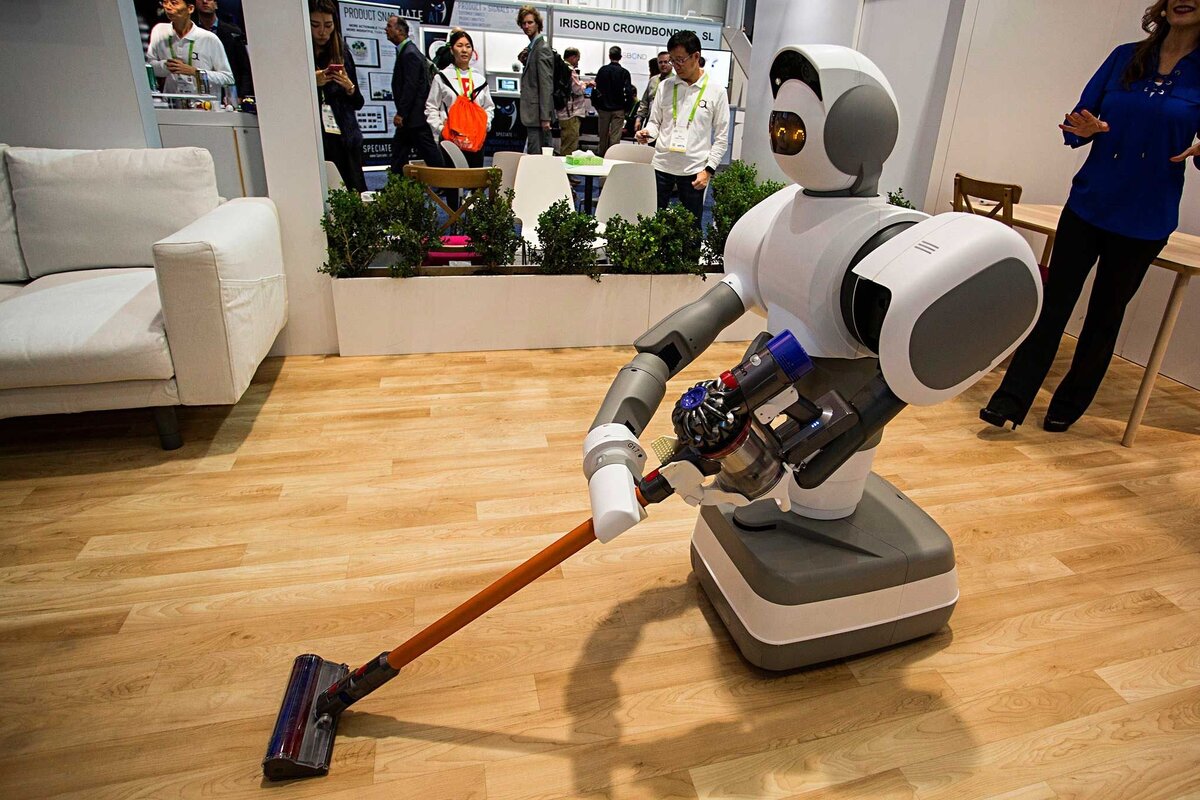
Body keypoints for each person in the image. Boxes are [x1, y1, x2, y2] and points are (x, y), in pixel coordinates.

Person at [980, 0, 1200, 434]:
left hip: (1146, 216)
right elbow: (1077, 120)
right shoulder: (1125, 57)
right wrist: (1081, 128)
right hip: (1089, 203)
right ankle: (1010, 400)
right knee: (1053, 304)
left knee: (1105, 316)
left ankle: (1068, 405)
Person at [636, 30, 729, 230]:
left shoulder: (716, 91)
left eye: (680, 60)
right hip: (661, 166)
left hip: (694, 170)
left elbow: (721, 138)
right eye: (673, 60)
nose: (675, 66)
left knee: (691, 230)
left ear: (696, 56)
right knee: (653, 226)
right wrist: (647, 134)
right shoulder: (665, 86)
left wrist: (709, 170)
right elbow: (655, 123)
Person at [310, 0, 366, 192]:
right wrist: (311, 82)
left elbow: (358, 102)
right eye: (315, 25)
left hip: (345, 136)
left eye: (328, 25)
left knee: (353, 189)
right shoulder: (299, 54)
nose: (322, 32)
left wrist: (350, 87)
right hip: (314, 136)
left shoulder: (341, 52)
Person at [425, 30, 494, 168]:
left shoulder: (480, 80)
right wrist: (441, 129)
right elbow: (431, 107)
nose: (464, 50)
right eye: (459, 45)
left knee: (475, 179)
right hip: (450, 140)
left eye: (468, 46)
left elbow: (488, 107)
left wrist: (484, 126)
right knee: (452, 179)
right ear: (451, 50)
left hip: (475, 140)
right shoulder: (442, 78)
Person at [387, 16, 443, 172]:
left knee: (429, 153)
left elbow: (410, 86)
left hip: (414, 117)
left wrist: (401, 113)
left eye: (389, 26)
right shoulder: (407, 51)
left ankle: (446, 180)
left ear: (400, 31)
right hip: (411, 117)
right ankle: (397, 182)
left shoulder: (410, 53)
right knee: (399, 150)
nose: (386, 29)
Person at [147, 0, 234, 100]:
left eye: (174, 3)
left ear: (190, 9)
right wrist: (165, 66)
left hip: (204, 104)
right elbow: (150, 67)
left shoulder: (208, 38)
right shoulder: (159, 31)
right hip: (171, 102)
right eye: (165, 2)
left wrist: (195, 72)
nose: (168, 7)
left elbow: (228, 78)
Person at [193, 0, 253, 100]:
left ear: (216, 4)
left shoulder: (233, 32)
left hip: (231, 92)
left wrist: (242, 96)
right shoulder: (192, 33)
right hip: (202, 92)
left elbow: (244, 67)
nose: (205, 1)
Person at [517, 5, 554, 154]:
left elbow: (546, 84)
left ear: (538, 24)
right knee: (535, 155)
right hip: (534, 114)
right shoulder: (532, 48)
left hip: (538, 115)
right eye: (524, 23)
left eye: (530, 22)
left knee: (536, 156)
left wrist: (545, 117)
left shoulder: (541, 48)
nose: (527, 26)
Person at [594, 46, 633, 156]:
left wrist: (597, 105)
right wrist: (627, 108)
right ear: (620, 57)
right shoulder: (624, 72)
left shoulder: (602, 70)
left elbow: (596, 90)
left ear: (609, 56)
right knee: (615, 138)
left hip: (603, 109)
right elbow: (628, 92)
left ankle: (601, 157)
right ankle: (612, 158)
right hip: (619, 109)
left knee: (603, 136)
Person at [555, 47, 588, 156]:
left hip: (562, 112)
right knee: (570, 146)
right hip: (571, 114)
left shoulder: (558, 68)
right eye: (577, 59)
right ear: (573, 57)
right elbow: (577, 89)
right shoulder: (569, 70)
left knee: (566, 143)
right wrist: (585, 84)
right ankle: (566, 166)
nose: (577, 62)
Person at [634, 51, 672, 133]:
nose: (663, 64)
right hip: (650, 122)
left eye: (666, 62)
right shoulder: (653, 80)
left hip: (667, 125)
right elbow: (645, 102)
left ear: (671, 63)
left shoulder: (676, 82)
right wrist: (639, 118)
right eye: (660, 62)